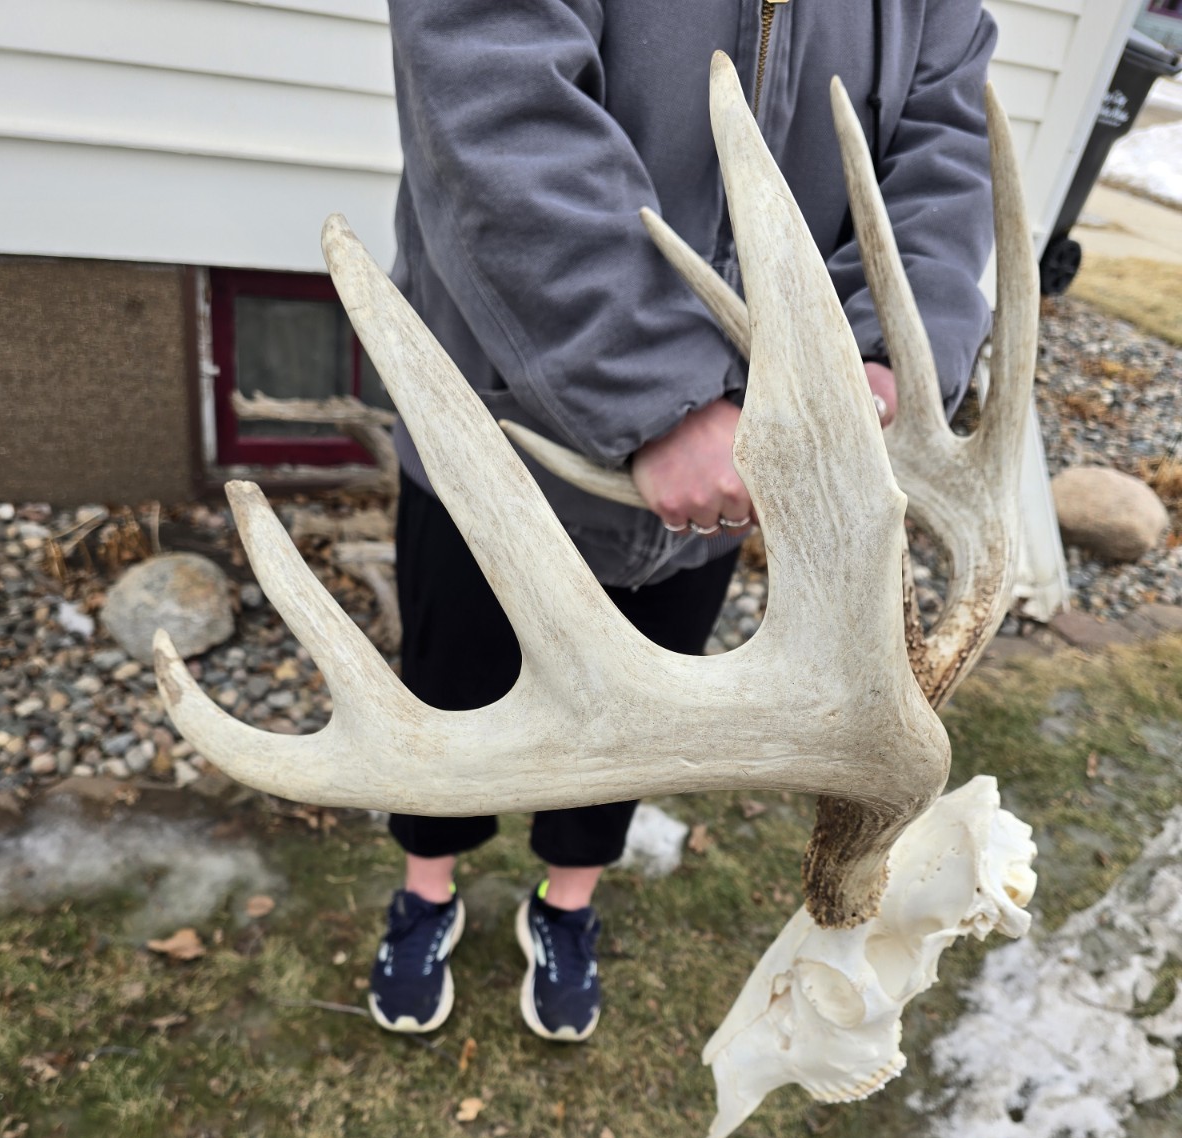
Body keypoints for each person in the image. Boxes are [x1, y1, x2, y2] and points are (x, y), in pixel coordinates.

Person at [369, 0, 998, 1042]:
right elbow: (492, 92)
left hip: (741, 461)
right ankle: (424, 890)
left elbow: (942, 144)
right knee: (451, 685)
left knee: (655, 708)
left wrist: (886, 352)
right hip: (502, 440)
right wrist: (654, 390)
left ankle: (566, 905)